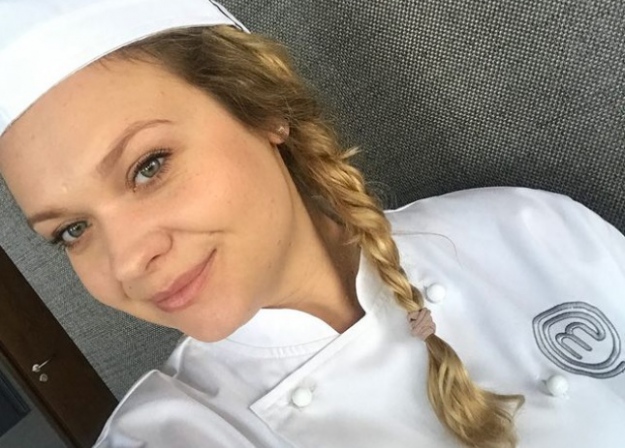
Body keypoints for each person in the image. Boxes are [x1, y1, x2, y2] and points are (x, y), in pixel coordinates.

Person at [0, 1, 623, 447]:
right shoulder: (169, 434)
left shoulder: (526, 230)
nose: (127, 261)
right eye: (72, 230)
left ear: (263, 109)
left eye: (148, 166)